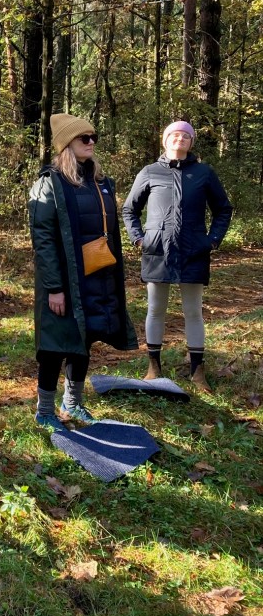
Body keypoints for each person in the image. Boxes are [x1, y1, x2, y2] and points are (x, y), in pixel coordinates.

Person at [29, 114, 137, 430]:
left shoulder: (100, 183)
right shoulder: (49, 183)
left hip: (96, 277)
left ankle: (73, 403)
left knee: (85, 338)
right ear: (67, 144)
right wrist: (55, 287)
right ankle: (45, 410)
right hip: (63, 280)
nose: (91, 143)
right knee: (55, 344)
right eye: (84, 138)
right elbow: (43, 240)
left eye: (93, 137)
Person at [122, 120, 232, 388]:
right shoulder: (149, 172)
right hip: (157, 250)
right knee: (155, 309)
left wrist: (212, 241)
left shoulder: (204, 173)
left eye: (185, 136)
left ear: (191, 142)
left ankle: (197, 371)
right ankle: (153, 367)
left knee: (193, 311)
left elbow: (223, 209)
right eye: (174, 134)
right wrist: (139, 238)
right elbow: (129, 209)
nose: (179, 139)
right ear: (165, 139)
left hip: (194, 250)